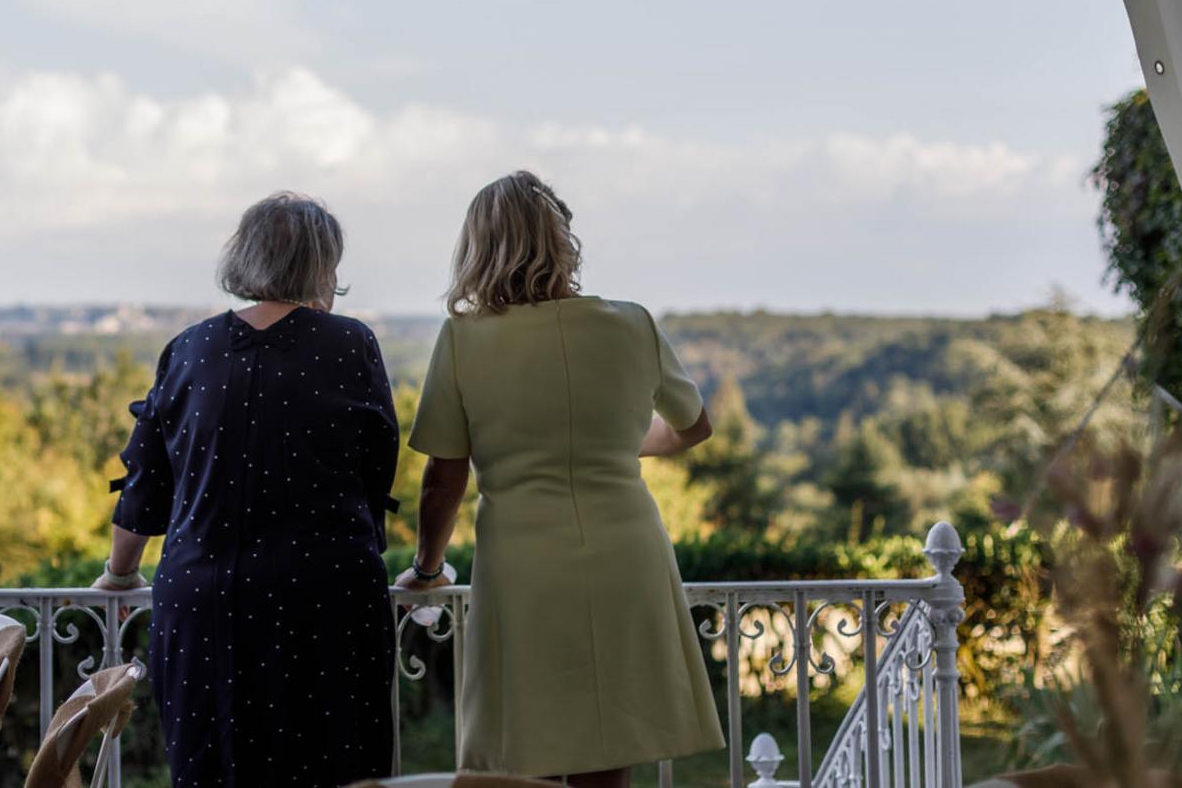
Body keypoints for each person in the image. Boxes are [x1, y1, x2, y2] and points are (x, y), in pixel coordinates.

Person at [396, 170, 724, 787]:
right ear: (561, 240)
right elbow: (692, 428)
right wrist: (613, 448)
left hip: (525, 561)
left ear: (479, 247)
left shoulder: (465, 339)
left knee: (527, 747)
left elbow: (445, 474)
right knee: (609, 739)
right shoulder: (632, 324)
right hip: (628, 549)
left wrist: (429, 565)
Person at [96, 191, 399, 788]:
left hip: (205, 605)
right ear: (322, 264)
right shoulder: (350, 345)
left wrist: (119, 571)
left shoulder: (187, 349)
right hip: (324, 601)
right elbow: (375, 468)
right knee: (336, 768)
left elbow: (146, 485)